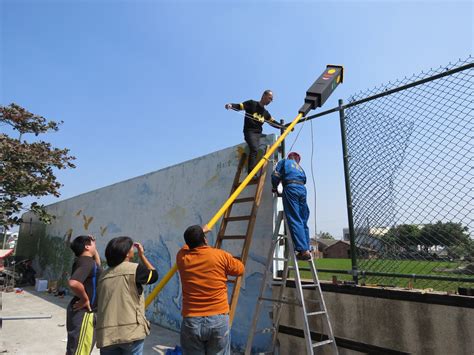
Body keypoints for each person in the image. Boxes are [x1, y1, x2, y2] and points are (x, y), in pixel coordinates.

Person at [176, 225, 245, 355]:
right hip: (218, 318)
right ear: (205, 240)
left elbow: (185, 247)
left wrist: (198, 234)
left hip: (192, 320)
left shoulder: (182, 258)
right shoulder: (220, 256)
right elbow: (240, 269)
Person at [96, 237, 158, 355]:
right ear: (126, 253)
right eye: (131, 248)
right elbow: (154, 275)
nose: (133, 250)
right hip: (130, 332)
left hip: (106, 335)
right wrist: (142, 256)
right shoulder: (135, 269)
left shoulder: (103, 276)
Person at [225, 90, 282, 174]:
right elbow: (240, 106)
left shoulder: (266, 113)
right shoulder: (252, 103)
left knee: (270, 141)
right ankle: (251, 172)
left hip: (259, 133)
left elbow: (273, 122)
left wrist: (284, 127)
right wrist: (231, 105)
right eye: (270, 98)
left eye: (271, 99)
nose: (270, 101)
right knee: (254, 149)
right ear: (264, 95)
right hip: (249, 132)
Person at [271, 152, 311, 260]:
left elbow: (275, 175)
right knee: (303, 219)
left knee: (294, 217)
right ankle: (307, 247)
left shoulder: (284, 162)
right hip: (302, 190)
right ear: (297, 160)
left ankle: (302, 250)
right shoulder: (300, 168)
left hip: (291, 188)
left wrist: (275, 188)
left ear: (289, 157)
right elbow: (305, 180)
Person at [67, 235, 102, 355]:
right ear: (87, 246)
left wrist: (94, 248)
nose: (95, 245)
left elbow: (98, 267)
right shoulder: (87, 262)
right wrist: (85, 298)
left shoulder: (86, 261)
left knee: (78, 349)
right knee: (79, 351)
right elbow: (74, 283)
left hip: (84, 313)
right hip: (85, 314)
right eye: (93, 243)